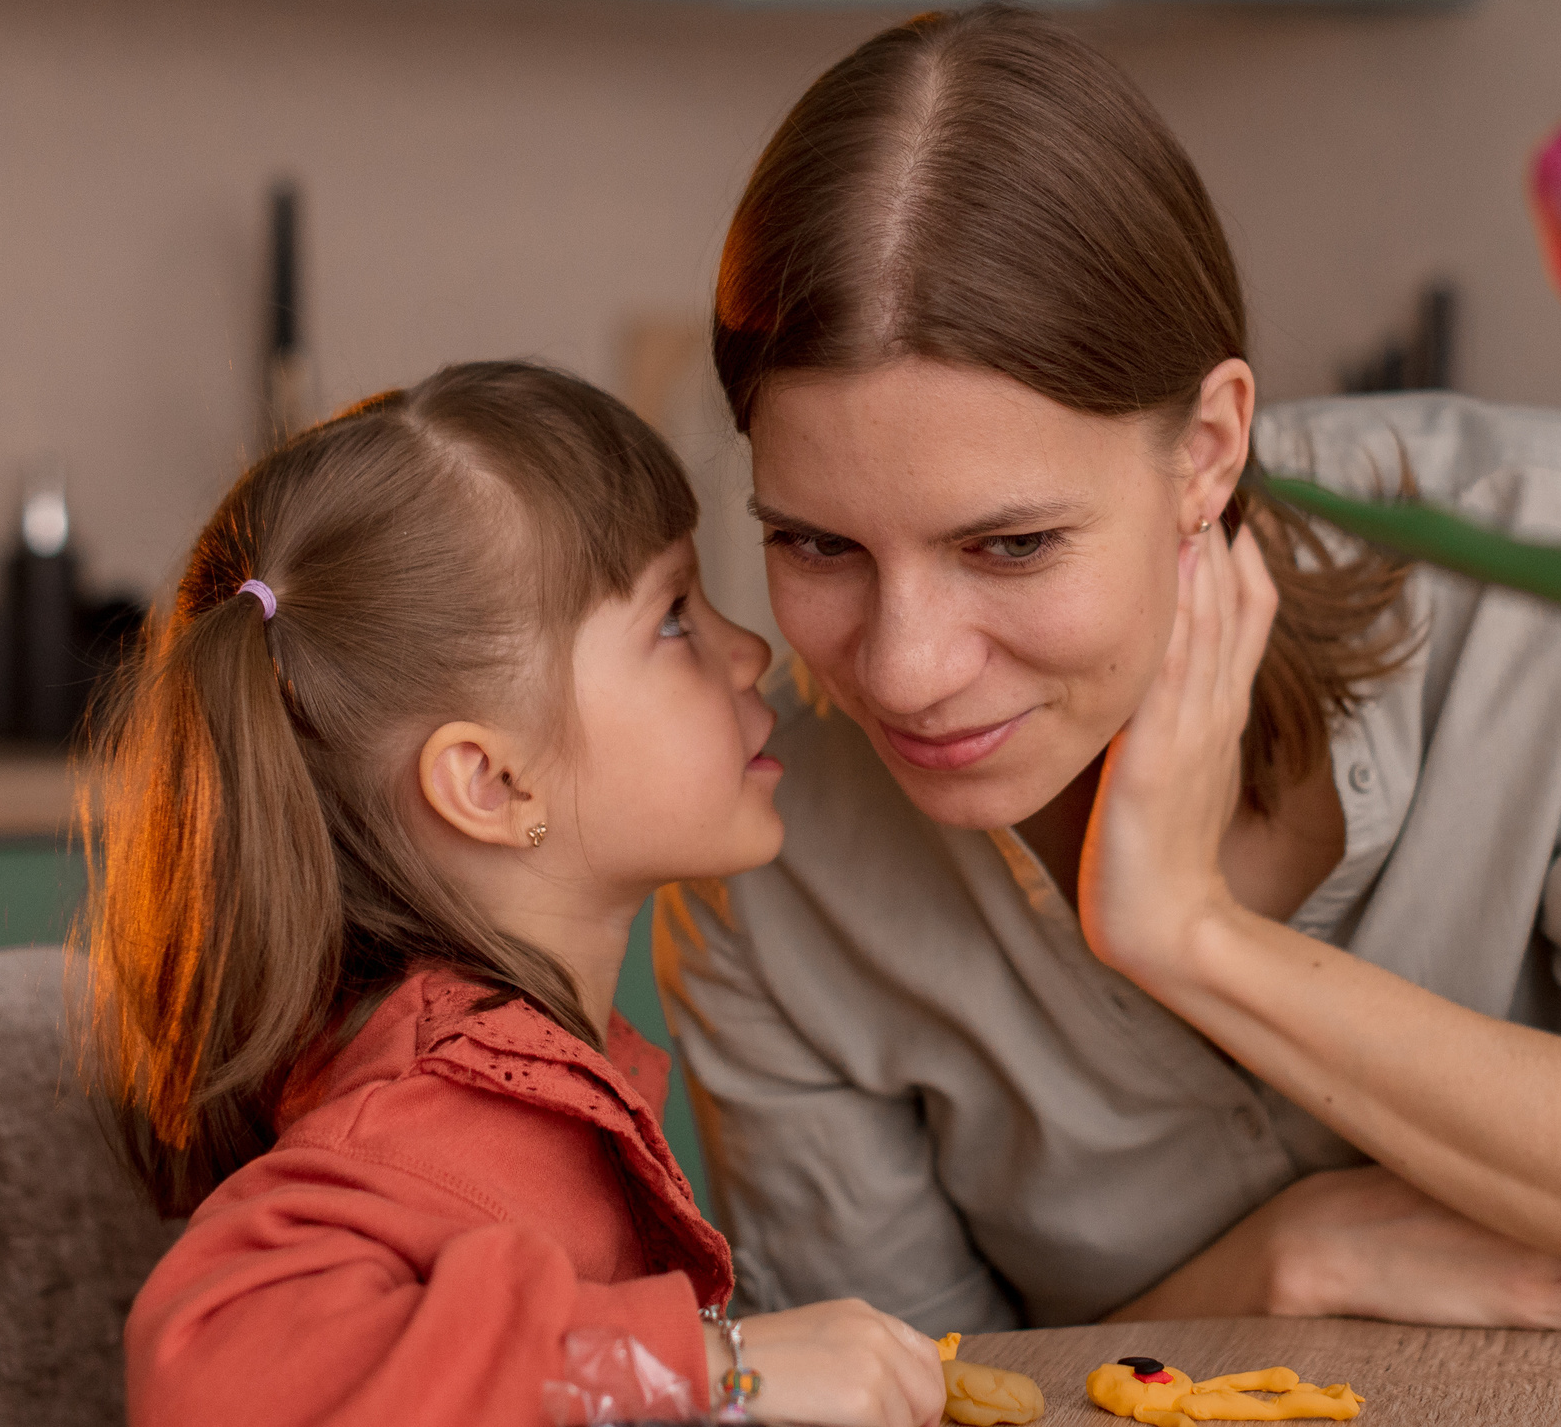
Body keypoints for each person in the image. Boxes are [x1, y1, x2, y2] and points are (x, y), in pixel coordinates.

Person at [657, 4, 1561, 1358]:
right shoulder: (762, 872)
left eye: (1010, 545)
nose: (905, 669)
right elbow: (908, 1397)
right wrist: (1280, 1266)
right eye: (817, 543)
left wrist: (1196, 937)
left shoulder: (1533, 564)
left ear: (1207, 448)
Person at [85, 361, 947, 1427]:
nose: (749, 651)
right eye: (673, 617)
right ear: (493, 782)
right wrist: (715, 1363)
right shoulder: (441, 1116)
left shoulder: (521, 1072)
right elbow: (209, 1378)